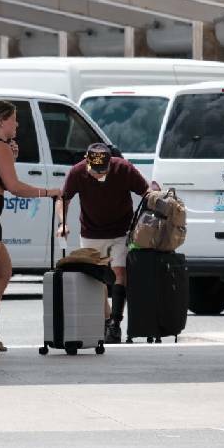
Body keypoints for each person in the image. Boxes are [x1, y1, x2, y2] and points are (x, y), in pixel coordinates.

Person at [0, 101, 61, 354]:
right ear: (1, 122)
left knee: (2, 272)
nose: (17, 124)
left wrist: (13, 157)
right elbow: (15, 186)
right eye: (13, 119)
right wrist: (49, 191)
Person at [56, 142, 153, 344]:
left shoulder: (123, 168)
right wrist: (62, 223)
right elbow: (63, 198)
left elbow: (147, 192)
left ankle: (116, 324)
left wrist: (155, 209)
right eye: (95, 171)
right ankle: (106, 320)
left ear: (110, 164)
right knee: (95, 276)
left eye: (103, 171)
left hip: (122, 229)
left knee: (120, 271)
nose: (99, 175)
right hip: (91, 230)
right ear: (87, 162)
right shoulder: (77, 172)